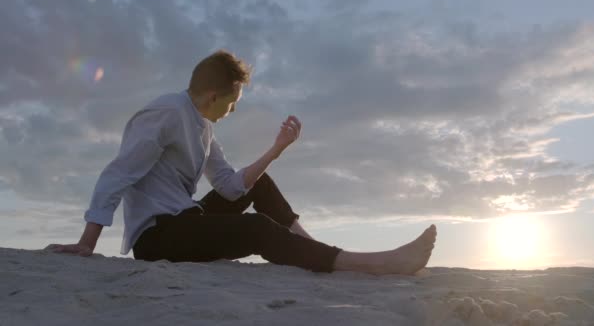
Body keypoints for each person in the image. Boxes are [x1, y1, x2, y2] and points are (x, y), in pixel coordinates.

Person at [45, 49, 437, 275]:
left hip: (186, 220)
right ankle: (363, 262)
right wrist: (87, 242)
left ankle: (311, 248)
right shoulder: (165, 113)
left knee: (258, 185)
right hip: (158, 238)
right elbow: (118, 174)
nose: (232, 111)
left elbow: (231, 186)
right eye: (232, 104)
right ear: (213, 95)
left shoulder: (202, 126)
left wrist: (275, 150)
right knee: (255, 229)